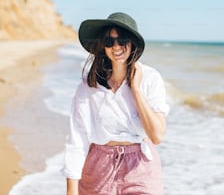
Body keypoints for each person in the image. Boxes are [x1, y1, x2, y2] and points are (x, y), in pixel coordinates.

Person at [62, 12, 170, 195]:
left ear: (133, 42)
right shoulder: (89, 85)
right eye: (109, 41)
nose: (116, 46)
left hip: (140, 166)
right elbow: (77, 139)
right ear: (102, 46)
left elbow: (157, 135)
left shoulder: (150, 78)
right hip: (98, 166)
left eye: (122, 40)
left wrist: (136, 90)